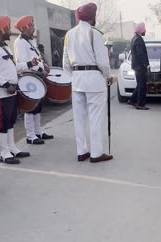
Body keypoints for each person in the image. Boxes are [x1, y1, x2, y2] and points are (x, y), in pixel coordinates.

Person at [63, 2, 113, 163]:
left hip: (77, 80)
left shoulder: (69, 34)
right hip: (94, 81)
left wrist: (75, 75)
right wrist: (107, 76)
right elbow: (103, 62)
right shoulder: (95, 34)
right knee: (95, 118)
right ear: (92, 17)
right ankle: (96, 153)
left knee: (79, 118)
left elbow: (65, 63)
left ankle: (82, 151)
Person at [0, 16, 32, 165]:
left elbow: (12, 67)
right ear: (0, 31)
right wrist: (5, 84)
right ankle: (4, 154)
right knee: (2, 123)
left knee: (10, 121)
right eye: (7, 28)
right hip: (0, 92)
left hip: (10, 91)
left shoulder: (4, 47)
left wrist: (29, 63)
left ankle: (12, 148)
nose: (9, 31)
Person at [13, 15, 54, 145]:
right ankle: (30, 136)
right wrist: (39, 70)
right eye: (31, 25)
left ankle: (38, 131)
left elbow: (36, 58)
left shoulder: (31, 41)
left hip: (37, 76)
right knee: (30, 107)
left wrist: (43, 66)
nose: (33, 27)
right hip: (29, 77)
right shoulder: (20, 42)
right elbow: (25, 62)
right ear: (25, 28)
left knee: (38, 106)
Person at [127, 22, 150, 110]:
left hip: (137, 66)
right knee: (142, 85)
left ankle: (132, 100)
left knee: (140, 84)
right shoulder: (138, 39)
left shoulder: (134, 38)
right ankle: (140, 104)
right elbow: (141, 54)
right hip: (140, 66)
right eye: (144, 29)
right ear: (141, 30)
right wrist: (146, 64)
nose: (145, 31)